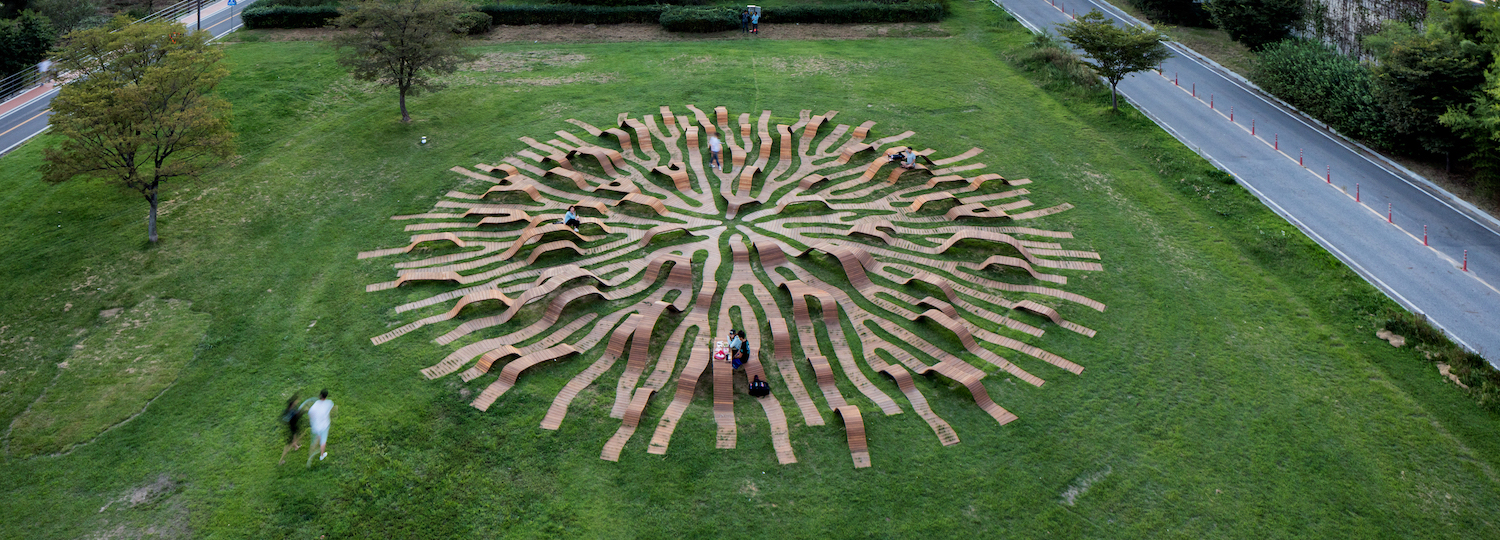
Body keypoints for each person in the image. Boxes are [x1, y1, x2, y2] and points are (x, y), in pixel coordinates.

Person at [306, 389, 336, 466]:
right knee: (323, 441)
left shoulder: (316, 404)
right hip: (324, 427)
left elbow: (310, 413)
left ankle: (310, 457)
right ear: (326, 396)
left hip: (316, 427)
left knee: (315, 441)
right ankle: (322, 455)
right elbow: (333, 408)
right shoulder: (329, 403)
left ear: (320, 395)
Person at [278, 395, 304, 465]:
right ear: (292, 405)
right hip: (292, 431)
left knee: (296, 438)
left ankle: (296, 447)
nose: (296, 402)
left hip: (293, 429)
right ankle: (281, 461)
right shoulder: (293, 412)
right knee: (288, 447)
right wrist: (304, 410)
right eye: (295, 402)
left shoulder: (288, 411)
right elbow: (298, 415)